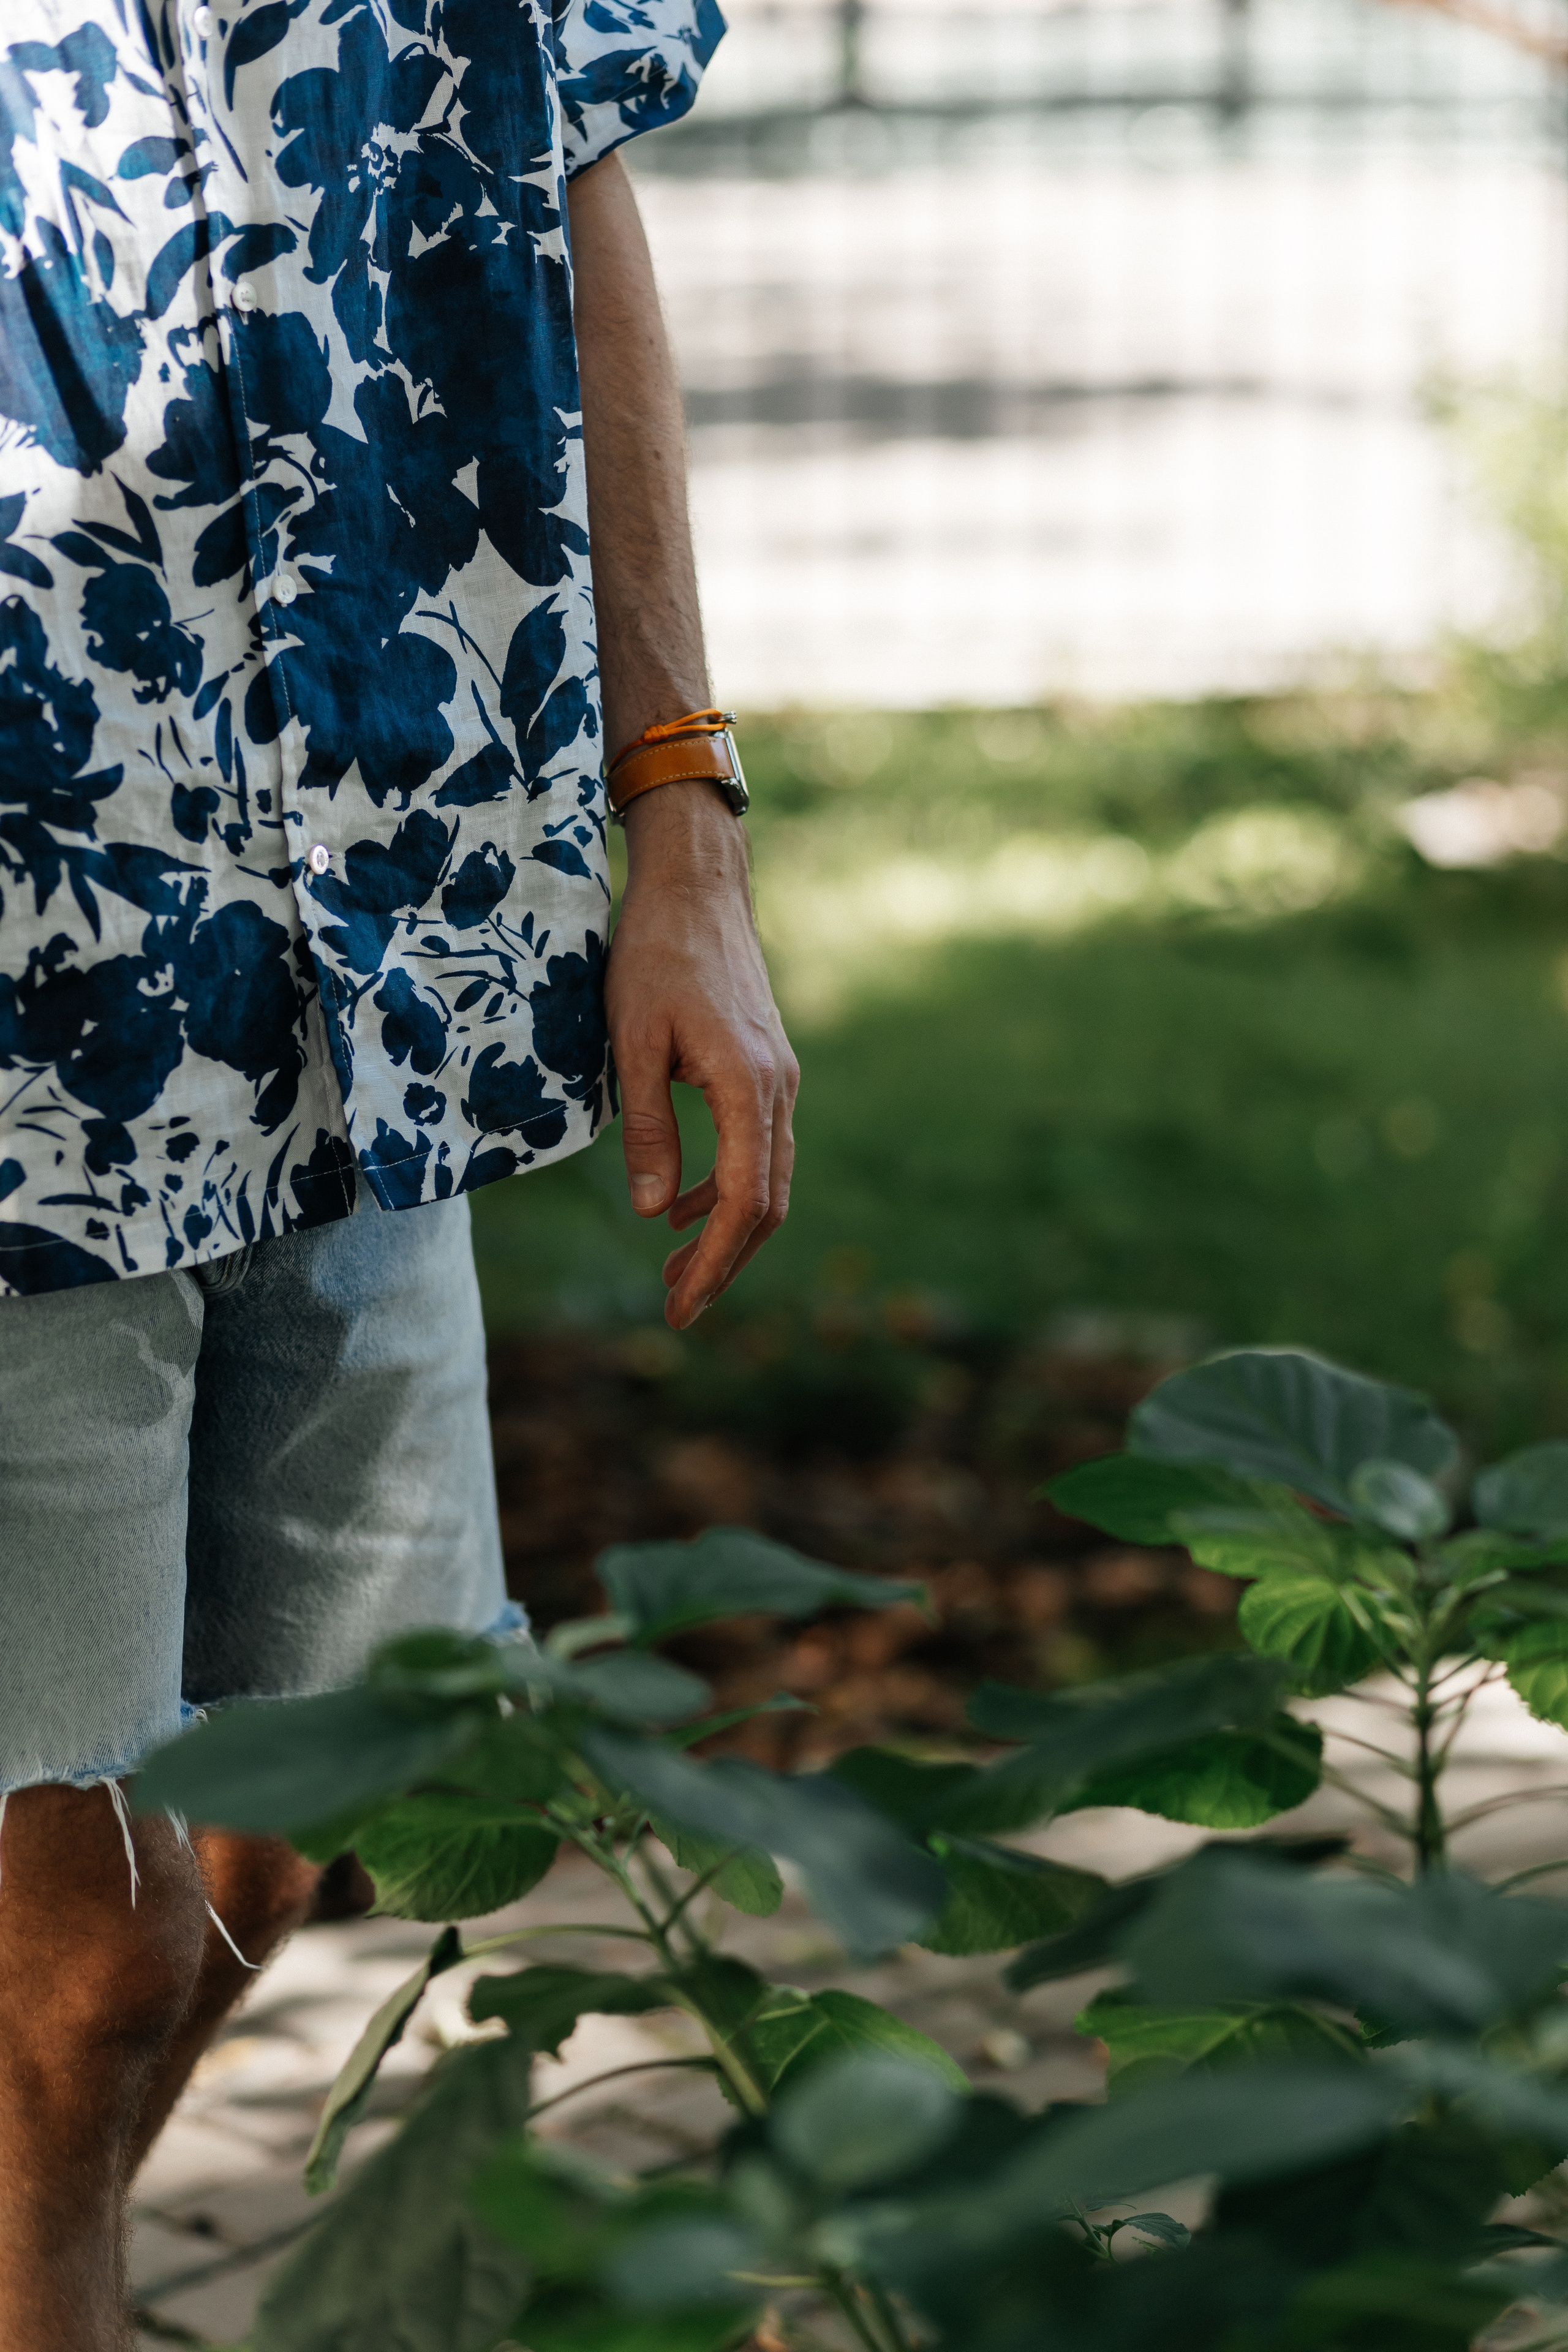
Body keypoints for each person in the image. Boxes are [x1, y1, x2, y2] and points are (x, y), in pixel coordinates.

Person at [0, 4, 796, 2344]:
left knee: (362, 1749)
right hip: (28, 977)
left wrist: (684, 823)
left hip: (378, 926)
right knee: (87, 1916)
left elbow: (569, 191)